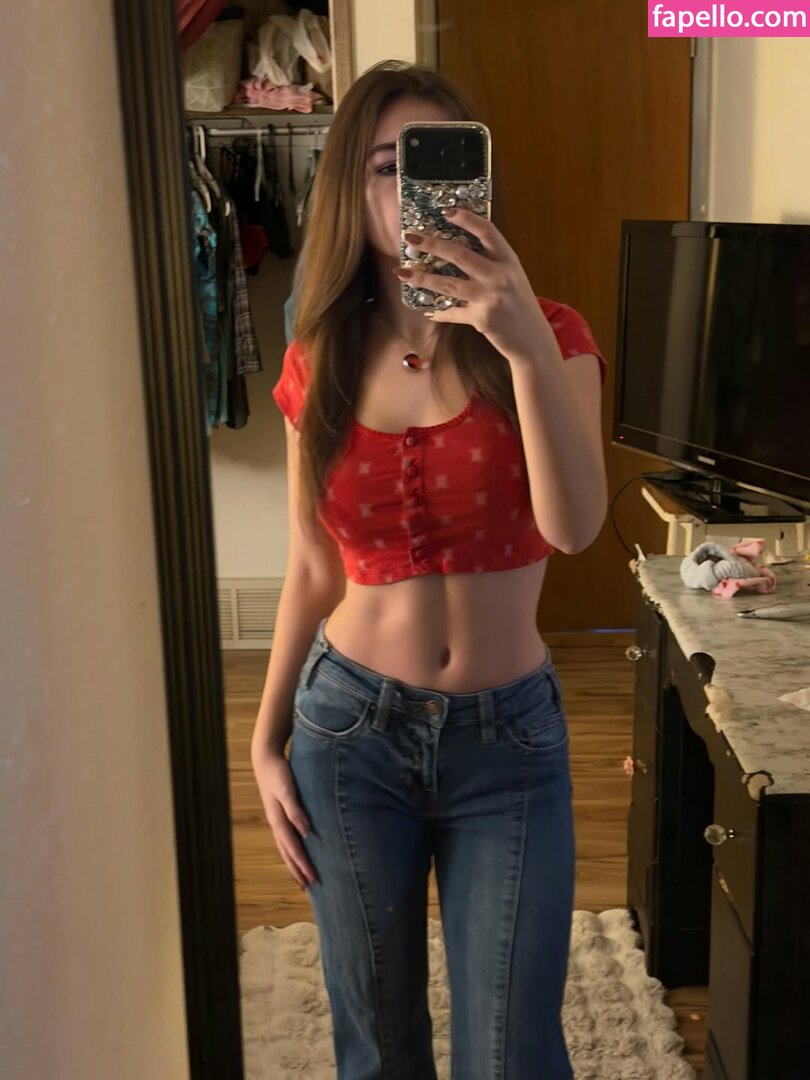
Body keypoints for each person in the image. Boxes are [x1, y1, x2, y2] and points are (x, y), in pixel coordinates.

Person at [251, 59, 608, 1080]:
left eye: (435, 166)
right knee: (379, 1047)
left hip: (511, 743)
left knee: (512, 1052)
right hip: (349, 736)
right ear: (348, 189)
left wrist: (522, 343)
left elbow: (575, 528)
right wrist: (265, 740)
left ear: (475, 182)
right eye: (383, 167)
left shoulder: (553, 336)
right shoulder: (318, 354)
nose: (411, 193)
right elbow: (312, 566)